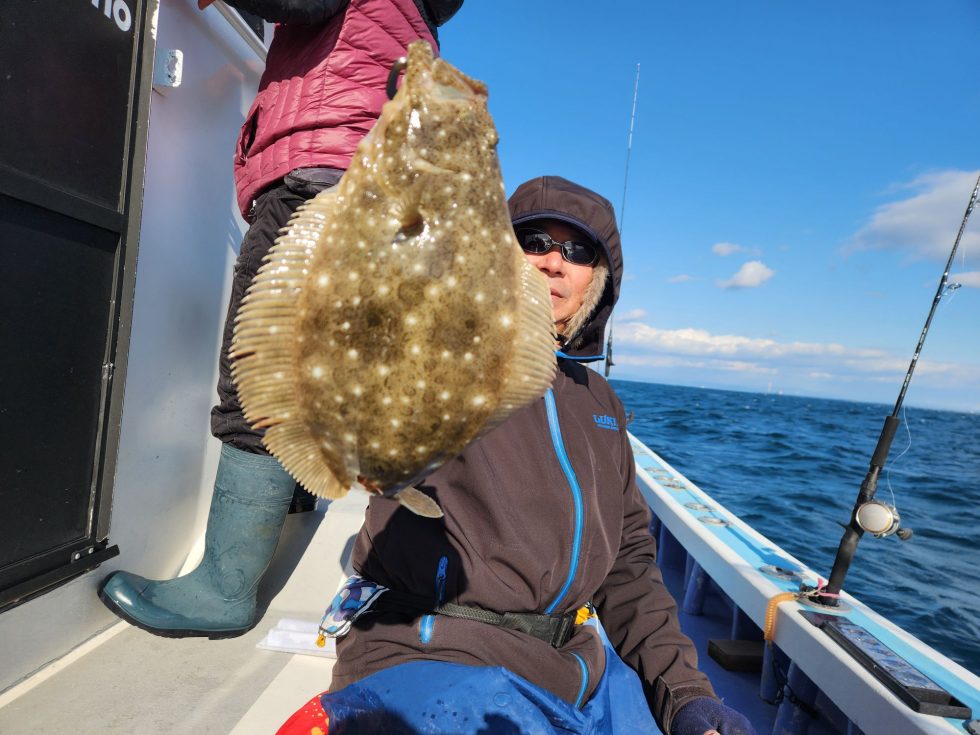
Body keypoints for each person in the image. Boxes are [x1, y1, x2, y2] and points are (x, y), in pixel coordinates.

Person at [277, 176, 754, 735]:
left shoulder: (599, 401)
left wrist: (685, 694)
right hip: (433, 653)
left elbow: (628, 566)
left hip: (572, 670)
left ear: (593, 282)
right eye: (534, 242)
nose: (554, 262)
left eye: (577, 252)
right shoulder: (441, 353)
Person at [98, 0, 463, 638]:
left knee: (260, 381)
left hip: (321, 186)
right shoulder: (417, 13)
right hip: (375, 192)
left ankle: (223, 590)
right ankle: (300, 506)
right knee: (318, 380)